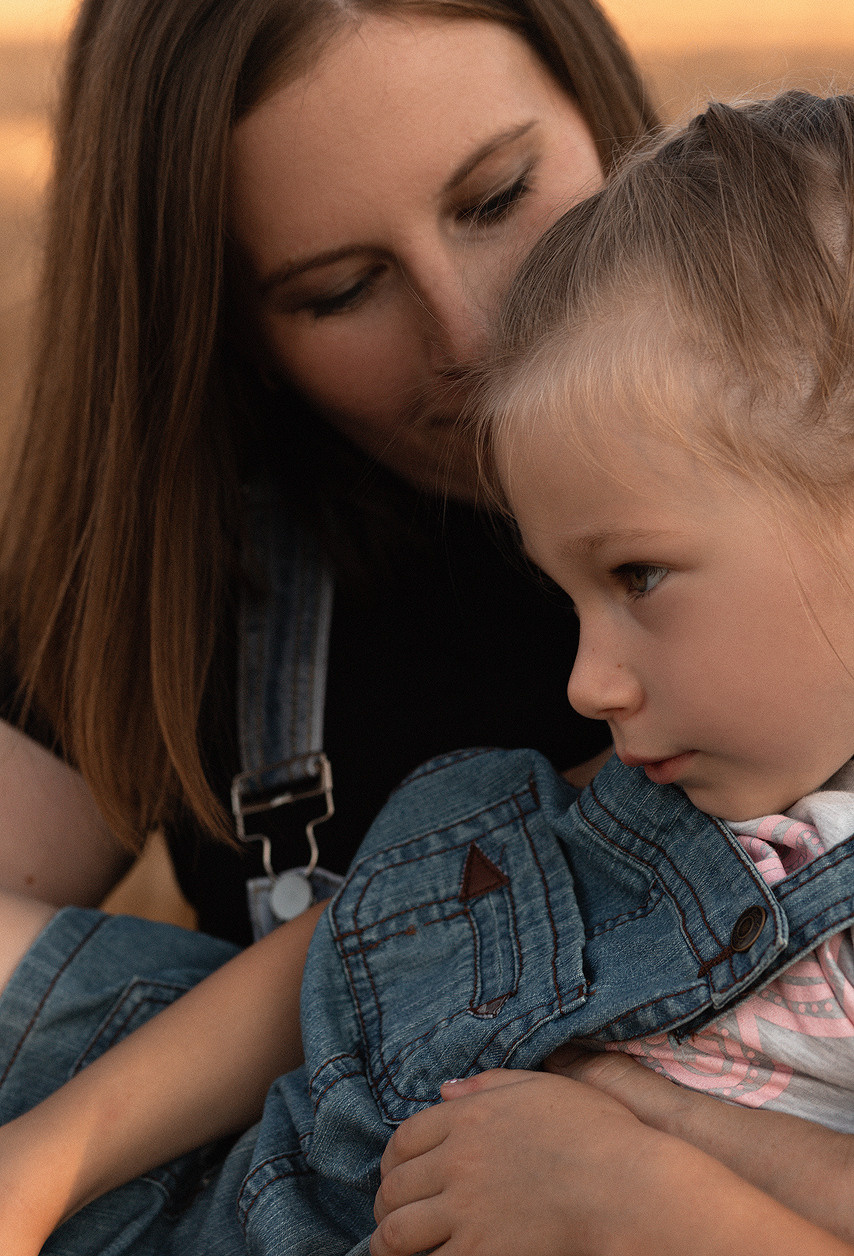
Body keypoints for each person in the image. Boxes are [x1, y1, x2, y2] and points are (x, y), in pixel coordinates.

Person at [2, 89, 854, 1256]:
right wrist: (44, 1158)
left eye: (639, 575)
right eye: (337, 285)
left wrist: (641, 1188)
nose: (585, 679)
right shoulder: (663, 788)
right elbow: (364, 935)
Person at [0, 0, 655, 944]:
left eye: (495, 197)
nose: (469, 337)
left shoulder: (821, 411)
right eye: (340, 290)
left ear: (597, 111)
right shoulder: (190, 562)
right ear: (224, 329)